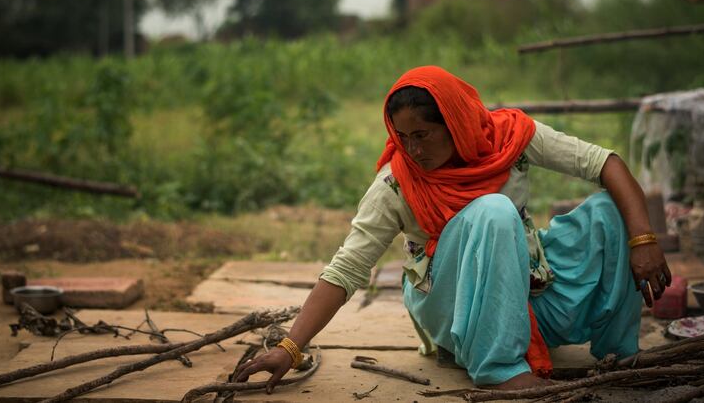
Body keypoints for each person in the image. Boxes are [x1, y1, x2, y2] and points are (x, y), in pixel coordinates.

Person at [233, 65, 672, 393]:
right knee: (495, 211)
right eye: (402, 136)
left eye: (423, 134)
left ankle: (618, 352)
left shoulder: (508, 139)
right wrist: (291, 348)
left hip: (528, 288)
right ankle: (499, 368)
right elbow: (347, 268)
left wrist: (643, 239)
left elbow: (604, 163)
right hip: (452, 305)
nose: (412, 149)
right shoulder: (396, 182)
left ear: (458, 124)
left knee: (608, 213)